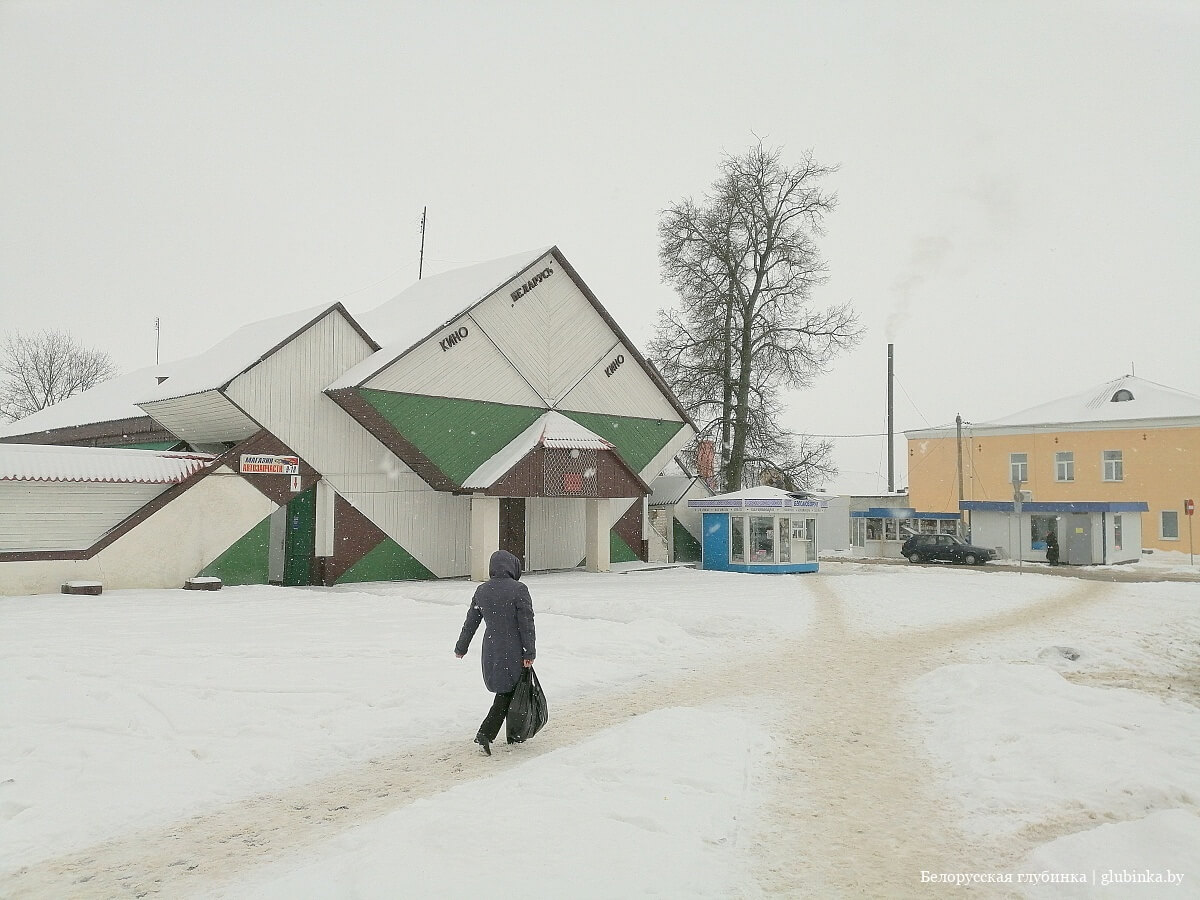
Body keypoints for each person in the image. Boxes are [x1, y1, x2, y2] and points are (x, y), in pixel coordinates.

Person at [454, 549, 536, 756]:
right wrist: (529, 653)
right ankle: (487, 732)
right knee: (510, 691)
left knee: (509, 690)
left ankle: (514, 734)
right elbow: (527, 624)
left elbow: (470, 622)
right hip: (514, 648)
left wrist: (461, 647)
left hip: (491, 648)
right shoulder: (519, 589)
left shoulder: (482, 590)